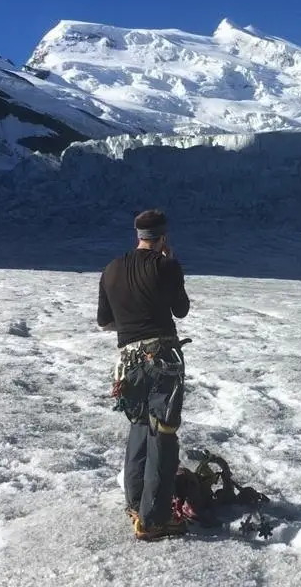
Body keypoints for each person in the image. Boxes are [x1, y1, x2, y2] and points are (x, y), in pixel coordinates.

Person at [97, 209, 191, 541]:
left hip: (127, 362)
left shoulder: (111, 269)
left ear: (137, 234)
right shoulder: (166, 266)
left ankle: (136, 504)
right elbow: (181, 309)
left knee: (139, 425)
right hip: (161, 356)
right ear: (163, 237)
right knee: (163, 433)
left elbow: (105, 321)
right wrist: (171, 262)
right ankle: (154, 519)